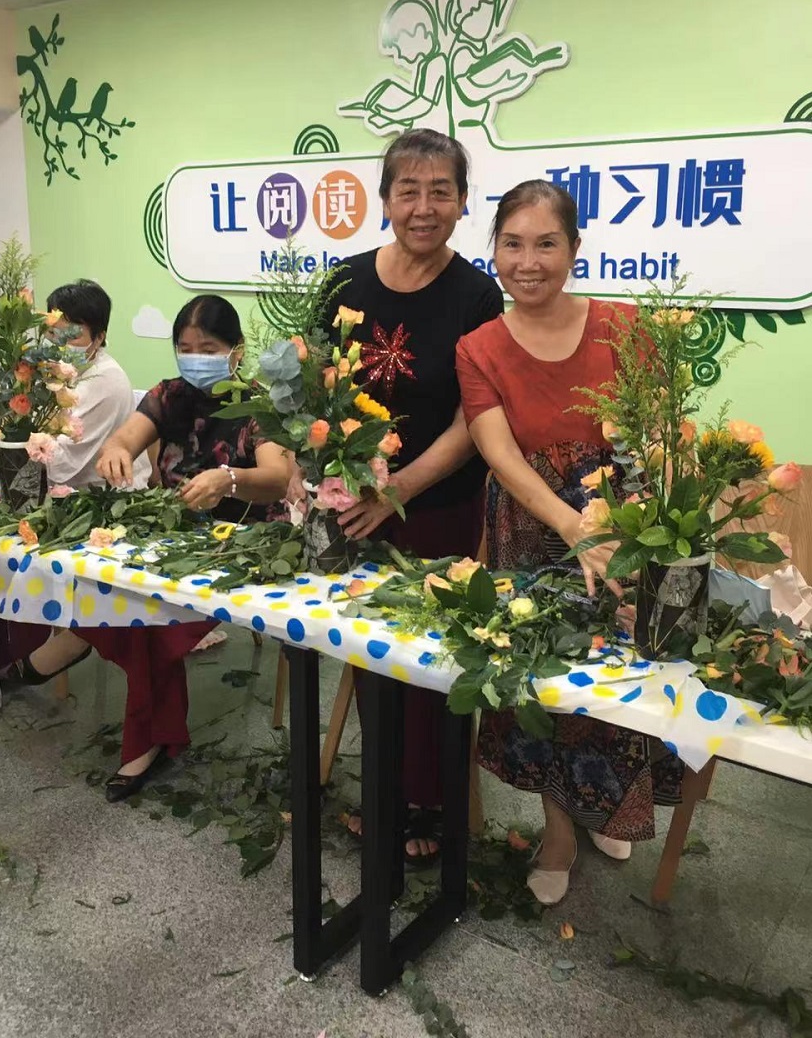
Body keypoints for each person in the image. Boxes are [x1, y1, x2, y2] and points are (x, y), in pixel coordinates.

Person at [455, 179, 682, 905]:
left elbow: (658, 435)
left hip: (625, 527)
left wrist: (626, 526)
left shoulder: (626, 327)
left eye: (546, 243)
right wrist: (570, 526)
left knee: (618, 676)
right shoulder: (479, 347)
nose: (528, 261)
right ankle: (557, 830)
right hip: (531, 529)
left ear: (574, 249)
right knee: (546, 683)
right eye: (512, 244)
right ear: (494, 250)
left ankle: (605, 806)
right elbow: (500, 454)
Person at [325, 128, 504, 861]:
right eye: (409, 190)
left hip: (437, 505)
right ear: (385, 199)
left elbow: (474, 420)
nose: (423, 207)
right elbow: (320, 390)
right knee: (370, 647)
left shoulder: (476, 295)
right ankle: (385, 790)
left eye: (440, 192)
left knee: (432, 655)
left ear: (461, 203)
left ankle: (433, 803)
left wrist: (397, 489)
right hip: (355, 504)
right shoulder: (343, 282)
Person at [88, 294, 290, 801]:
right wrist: (114, 455)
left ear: (237, 351)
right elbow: (122, 441)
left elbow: (277, 478)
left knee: (148, 621)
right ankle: (149, 729)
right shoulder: (168, 395)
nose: (195, 358)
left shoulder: (258, 405)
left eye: (209, 348)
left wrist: (229, 479)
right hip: (176, 537)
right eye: (186, 348)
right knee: (109, 589)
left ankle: (147, 742)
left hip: (243, 543)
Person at [0, 280, 152, 683]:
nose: (60, 342)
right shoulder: (51, 374)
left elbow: (60, 460)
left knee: (14, 551)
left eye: (73, 333)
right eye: (54, 331)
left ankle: (38, 656)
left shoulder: (104, 381)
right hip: (59, 492)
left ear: (99, 336)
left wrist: (5, 439)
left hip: (102, 504)